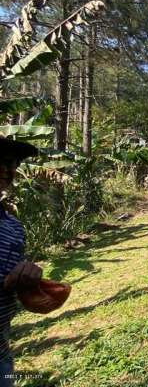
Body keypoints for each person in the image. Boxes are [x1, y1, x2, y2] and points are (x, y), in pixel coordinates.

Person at [0, 137, 43, 387]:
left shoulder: (14, 226)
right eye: (1, 162)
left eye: (12, 163)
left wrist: (30, 285)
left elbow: (11, 284)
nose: (8, 169)